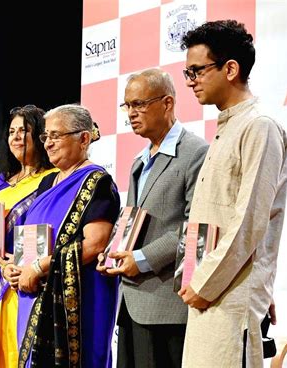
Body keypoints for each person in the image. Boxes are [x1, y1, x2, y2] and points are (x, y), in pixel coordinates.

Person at [179, 19, 287, 367]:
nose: (191, 81)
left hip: (229, 296)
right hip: (214, 290)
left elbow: (249, 222)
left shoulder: (259, 126)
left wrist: (204, 283)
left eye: (197, 70)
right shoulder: (230, 124)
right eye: (187, 72)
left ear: (230, 69)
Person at [96, 68, 209, 368]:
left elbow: (194, 229)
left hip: (166, 307)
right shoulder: (139, 160)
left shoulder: (196, 152)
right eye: (127, 106)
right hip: (131, 304)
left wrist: (142, 259)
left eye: (139, 104)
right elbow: (131, 221)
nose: (131, 113)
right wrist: (111, 255)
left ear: (168, 103)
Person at [17, 104, 120, 368]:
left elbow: (95, 244)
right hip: (33, 295)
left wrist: (40, 267)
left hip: (77, 303)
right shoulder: (46, 183)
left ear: (84, 138)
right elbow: (31, 236)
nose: (48, 144)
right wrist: (16, 269)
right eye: (45, 137)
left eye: (56, 136)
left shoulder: (97, 183)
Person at [0, 104, 56, 367]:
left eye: (25, 131)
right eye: (12, 132)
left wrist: (16, 267)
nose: (17, 137)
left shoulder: (53, 180)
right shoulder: (2, 185)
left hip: (25, 285)